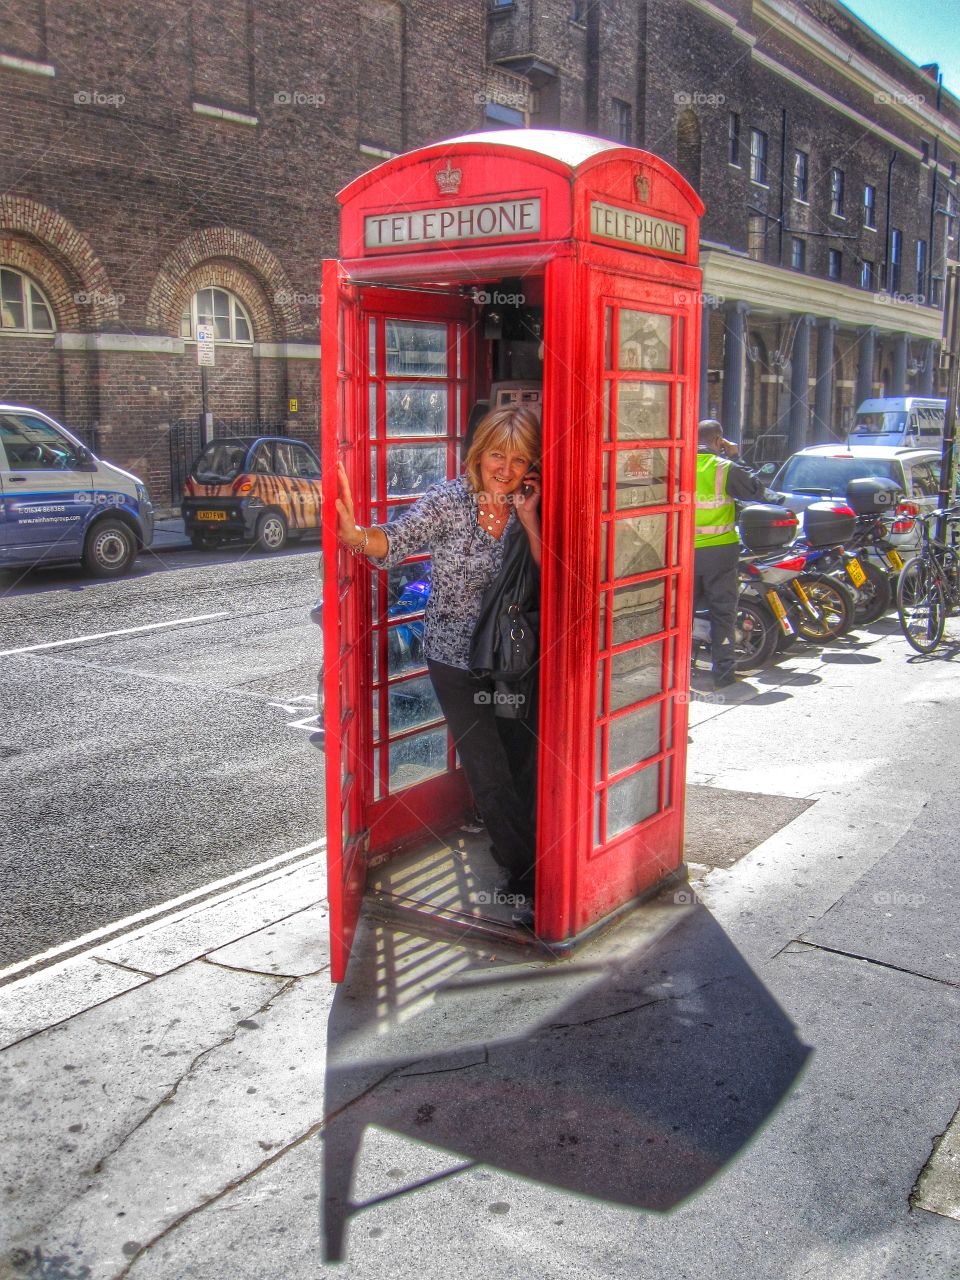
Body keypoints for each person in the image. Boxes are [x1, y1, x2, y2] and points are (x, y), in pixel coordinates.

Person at [335, 406, 542, 924]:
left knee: (521, 759)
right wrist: (356, 535)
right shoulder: (448, 502)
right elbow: (396, 540)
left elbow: (552, 573)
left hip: (510, 658)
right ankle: (526, 875)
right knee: (488, 769)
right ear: (479, 453)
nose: (506, 468)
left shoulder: (525, 504)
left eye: (519, 459)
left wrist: (530, 519)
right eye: (498, 454)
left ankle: (523, 852)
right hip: (455, 658)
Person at [693, 419, 766, 688]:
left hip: (681, 555)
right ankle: (723, 675)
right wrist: (736, 456)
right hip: (720, 553)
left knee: (677, 615)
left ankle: (673, 677)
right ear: (718, 441)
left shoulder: (677, 465)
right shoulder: (725, 468)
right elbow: (758, 490)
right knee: (722, 615)